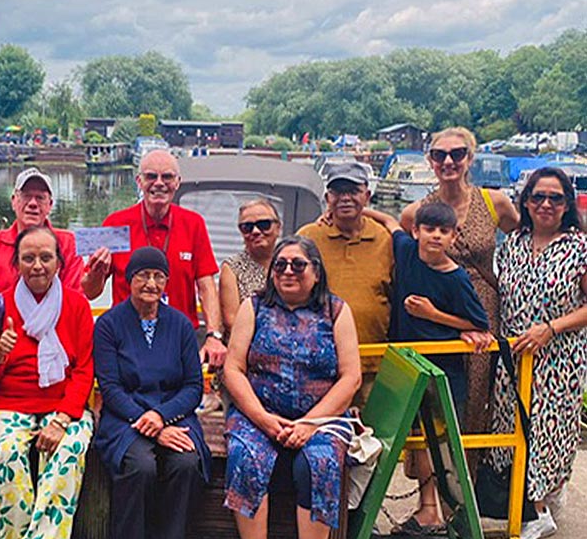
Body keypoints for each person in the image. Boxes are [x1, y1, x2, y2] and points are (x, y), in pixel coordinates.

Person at [223, 236, 361, 539]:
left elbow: (350, 378)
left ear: (316, 273)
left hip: (322, 417)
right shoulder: (254, 307)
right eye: (280, 264)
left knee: (320, 464)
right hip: (260, 413)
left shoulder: (336, 311)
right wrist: (264, 420)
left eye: (298, 265)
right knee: (244, 456)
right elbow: (233, 369)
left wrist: (311, 423)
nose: (287, 271)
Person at [0, 226, 94, 539]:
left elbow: (84, 370)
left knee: (68, 453)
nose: (38, 265)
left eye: (46, 257)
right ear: (16, 263)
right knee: (8, 455)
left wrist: (61, 420)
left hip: (62, 404)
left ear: (59, 261)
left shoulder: (75, 306)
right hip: (6, 404)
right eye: (29, 258)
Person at [93, 247, 210, 539]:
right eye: (143, 275)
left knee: (185, 464)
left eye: (158, 276)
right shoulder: (110, 325)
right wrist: (149, 424)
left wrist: (162, 418)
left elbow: (193, 386)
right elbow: (109, 387)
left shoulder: (181, 326)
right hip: (125, 417)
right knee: (140, 466)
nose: (151, 283)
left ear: (166, 282)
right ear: (129, 281)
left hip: (173, 416)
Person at [370, 202, 491, 533]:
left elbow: (478, 323)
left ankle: (450, 510)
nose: (435, 236)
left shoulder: (456, 278)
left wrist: (433, 314)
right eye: (429, 229)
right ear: (417, 232)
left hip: (443, 373)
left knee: (440, 440)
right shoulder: (406, 250)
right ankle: (428, 508)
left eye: (443, 231)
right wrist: (362, 211)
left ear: (453, 237)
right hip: (407, 367)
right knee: (416, 441)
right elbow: (389, 221)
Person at [487, 168, 587, 539]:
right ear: (525, 201)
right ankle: (524, 502)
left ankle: (540, 508)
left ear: (567, 204)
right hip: (513, 356)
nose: (546, 204)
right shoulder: (513, 243)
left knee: (549, 431)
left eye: (555, 198)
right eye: (538, 197)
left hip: (558, 357)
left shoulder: (579, 248)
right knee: (511, 429)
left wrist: (552, 328)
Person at [401, 127, 519, 436]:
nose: (448, 161)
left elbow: (524, 242)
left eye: (457, 154)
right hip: (433, 309)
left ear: (470, 158)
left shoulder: (496, 202)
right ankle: (431, 480)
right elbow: (400, 244)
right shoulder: (417, 212)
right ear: (430, 160)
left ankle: (470, 477)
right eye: (440, 155)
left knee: (477, 396)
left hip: (482, 308)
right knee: (433, 397)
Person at [82, 149, 226, 367]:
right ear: (139, 181)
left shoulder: (193, 223)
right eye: (151, 176)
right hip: (127, 338)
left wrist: (214, 335)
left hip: (178, 338)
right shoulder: (116, 223)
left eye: (167, 177)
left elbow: (206, 286)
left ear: (178, 182)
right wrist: (96, 272)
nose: (159, 183)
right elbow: (91, 293)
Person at [297, 164, 393, 398]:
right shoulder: (308, 237)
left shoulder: (385, 239)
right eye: (338, 192)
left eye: (353, 191)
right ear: (327, 198)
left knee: (372, 431)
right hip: (318, 365)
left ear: (367, 196)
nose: (345, 198)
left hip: (372, 361)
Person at [0, 167, 85, 324]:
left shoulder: (68, 243)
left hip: (55, 333)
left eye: (40, 198)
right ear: (14, 201)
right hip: (5, 336)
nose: (33, 204)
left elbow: (74, 300)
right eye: (26, 196)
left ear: (50, 205)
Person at [219, 198, 280, 336]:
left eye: (264, 225)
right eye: (247, 227)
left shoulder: (290, 264)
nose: (256, 231)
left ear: (278, 227)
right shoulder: (232, 268)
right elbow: (231, 320)